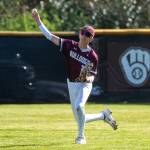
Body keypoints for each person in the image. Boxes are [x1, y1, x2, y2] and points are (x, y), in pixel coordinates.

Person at [32, 8, 118, 144]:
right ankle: (103, 116)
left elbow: (92, 76)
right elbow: (49, 36)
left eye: (88, 34)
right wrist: (38, 21)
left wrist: (88, 78)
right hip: (72, 84)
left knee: (79, 106)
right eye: (83, 32)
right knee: (79, 117)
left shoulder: (92, 56)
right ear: (79, 34)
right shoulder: (69, 45)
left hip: (85, 84)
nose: (84, 35)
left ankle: (81, 137)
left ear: (91, 38)